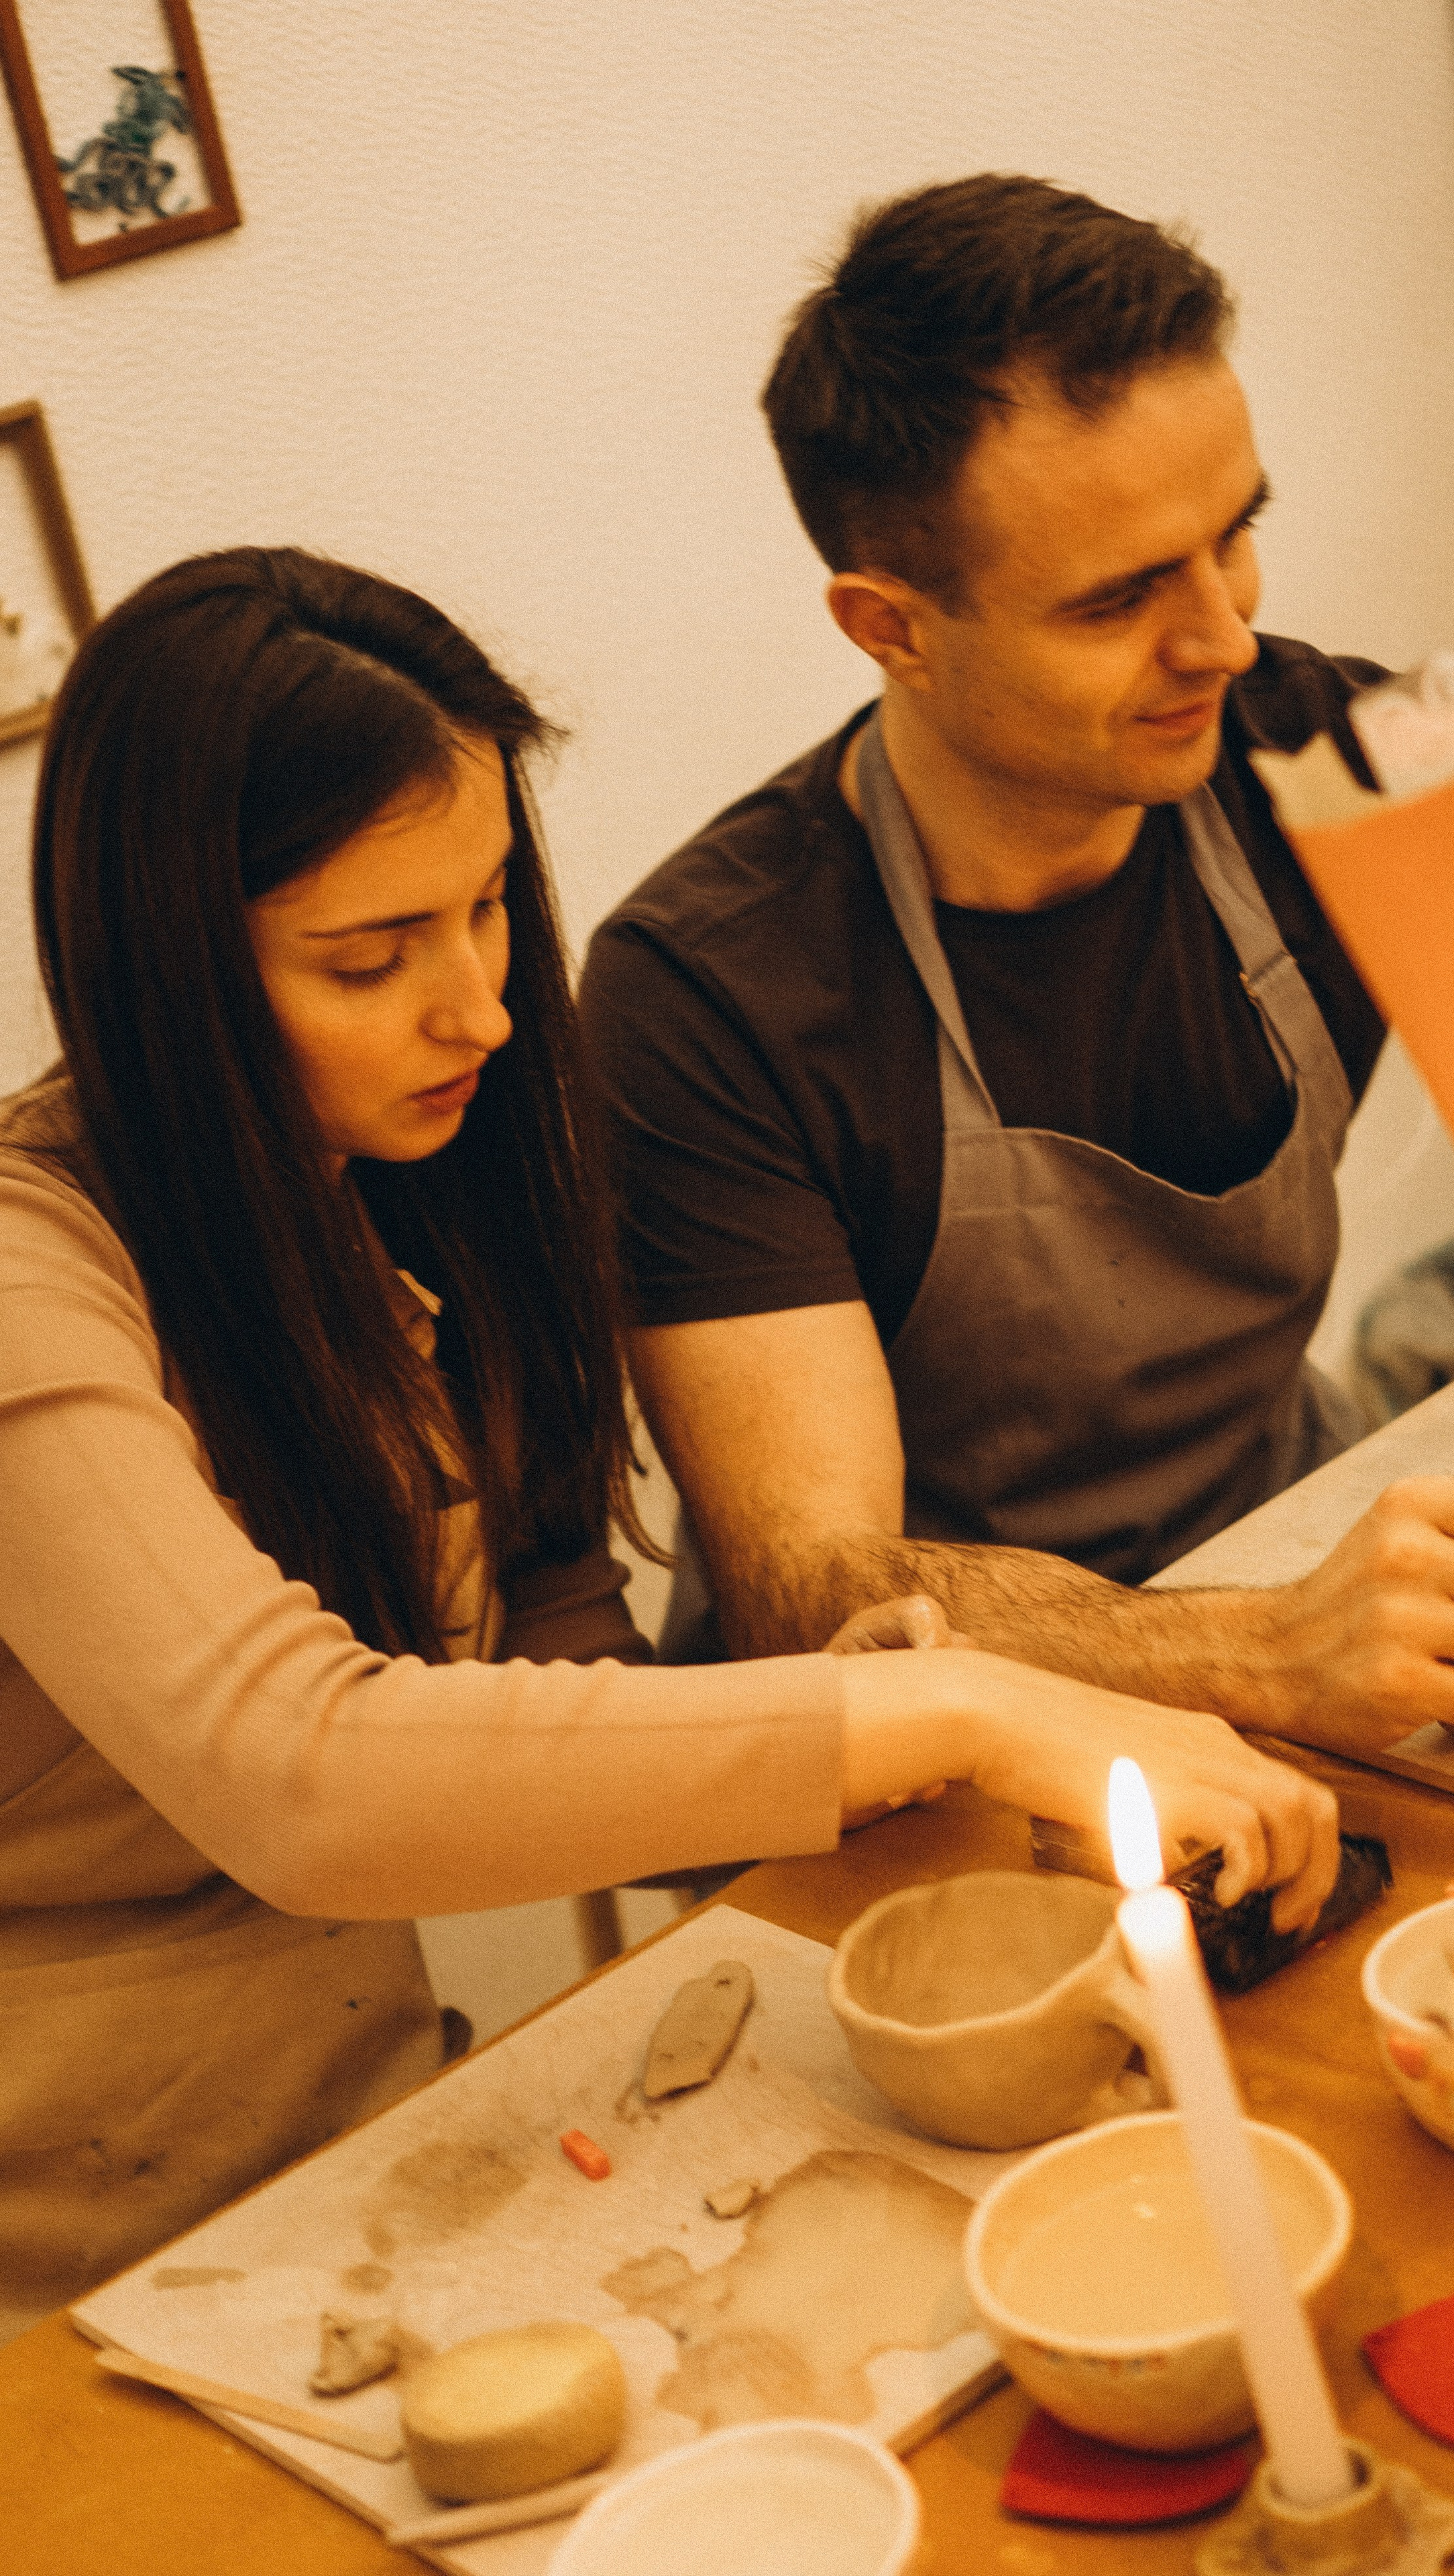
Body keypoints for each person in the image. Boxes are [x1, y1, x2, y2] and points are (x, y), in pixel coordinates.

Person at [0, 547, 1339, 2326]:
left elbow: (554, 1658)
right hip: (63, 2256)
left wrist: (855, 1734)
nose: (477, 1003)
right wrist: (958, 1703)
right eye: (370, 955)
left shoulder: (414, 1188)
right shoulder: (34, 1275)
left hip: (363, 2161)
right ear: (162, 978)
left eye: (486, 908)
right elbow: (300, 1779)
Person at [581, 174, 1454, 1743]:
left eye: (1233, 536)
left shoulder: (1340, 761)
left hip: (1289, 1563)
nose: (1219, 638)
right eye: (1117, 598)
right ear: (891, 626)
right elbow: (822, 1593)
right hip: (929, 1749)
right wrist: (1259, 1653)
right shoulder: (710, 995)